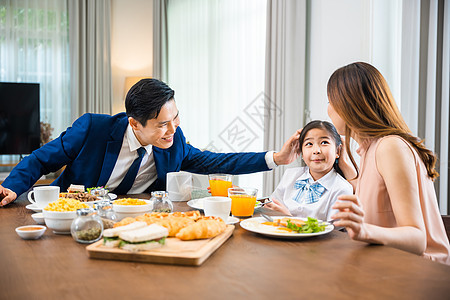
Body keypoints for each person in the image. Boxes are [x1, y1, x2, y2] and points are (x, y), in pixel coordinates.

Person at [0, 79, 301, 206]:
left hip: (136, 224)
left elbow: (216, 161)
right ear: (135, 123)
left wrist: (276, 157)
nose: (173, 130)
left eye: (176, 118)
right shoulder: (93, 128)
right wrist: (12, 187)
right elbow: (41, 159)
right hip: (76, 220)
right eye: (162, 125)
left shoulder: (175, 139)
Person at [327, 62, 450, 265]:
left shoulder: (390, 147)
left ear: (348, 105)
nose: (328, 109)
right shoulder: (371, 149)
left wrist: (364, 231)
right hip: (389, 264)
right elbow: (381, 200)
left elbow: (417, 239)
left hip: (421, 273)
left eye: (330, 101)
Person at [264, 120, 353, 221]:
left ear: (337, 150)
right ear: (301, 153)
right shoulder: (291, 175)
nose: (316, 151)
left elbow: (333, 233)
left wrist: (289, 219)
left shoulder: (342, 188)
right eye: (309, 144)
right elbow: (272, 206)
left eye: (324, 142)